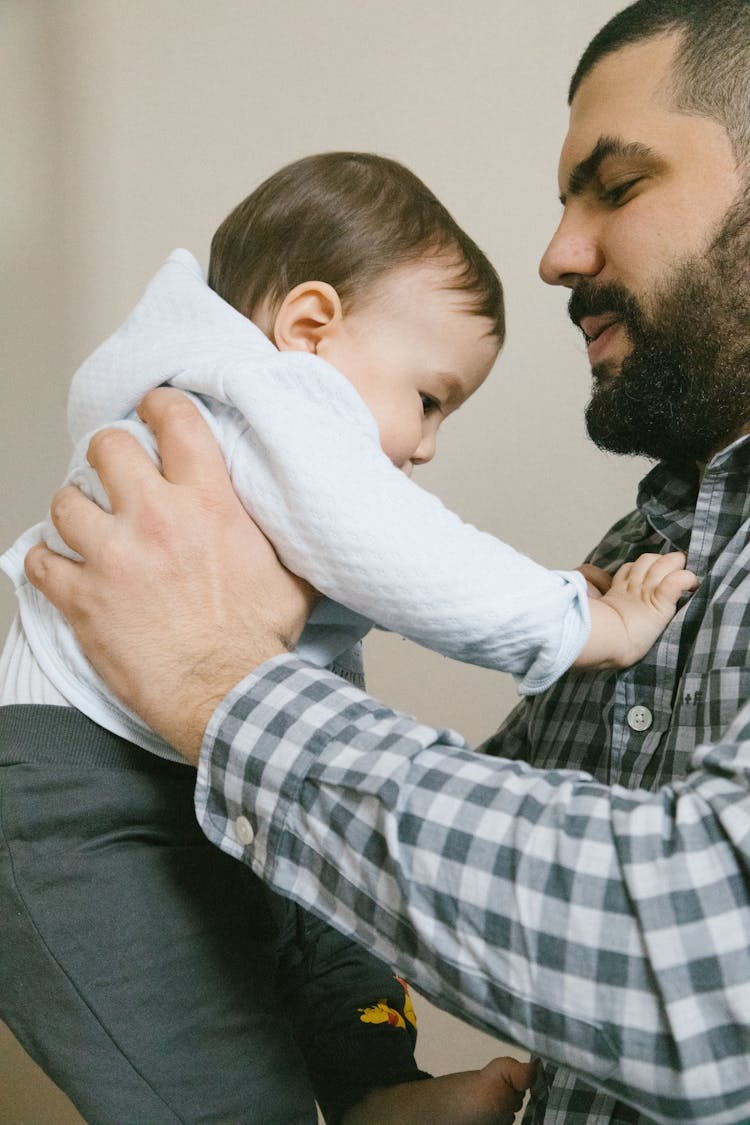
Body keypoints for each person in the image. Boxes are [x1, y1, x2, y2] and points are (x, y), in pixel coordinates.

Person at [18, 0, 750, 1122]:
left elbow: (698, 965)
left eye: (618, 184)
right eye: (426, 401)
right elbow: (418, 801)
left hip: (160, 756)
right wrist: (576, 621)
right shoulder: (281, 400)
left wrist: (219, 679)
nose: (558, 252)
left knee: (302, 897)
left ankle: (370, 1096)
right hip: (75, 783)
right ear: (313, 325)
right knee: (226, 1024)